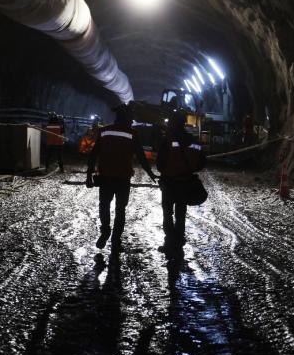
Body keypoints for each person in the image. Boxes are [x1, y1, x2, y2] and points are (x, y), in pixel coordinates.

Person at [86, 104, 156, 251]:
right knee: (120, 209)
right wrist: (150, 174)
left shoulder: (104, 131)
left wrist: (89, 176)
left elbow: (93, 154)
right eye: (130, 117)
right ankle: (116, 240)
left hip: (105, 176)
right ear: (126, 117)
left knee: (104, 205)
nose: (132, 119)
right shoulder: (132, 134)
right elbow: (141, 157)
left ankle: (105, 231)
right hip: (122, 178)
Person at [155, 113, 205, 257]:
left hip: (169, 183)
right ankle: (179, 240)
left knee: (167, 213)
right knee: (181, 213)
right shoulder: (193, 140)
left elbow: (159, 164)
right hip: (185, 182)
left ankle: (170, 241)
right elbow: (202, 162)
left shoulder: (167, 141)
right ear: (183, 123)